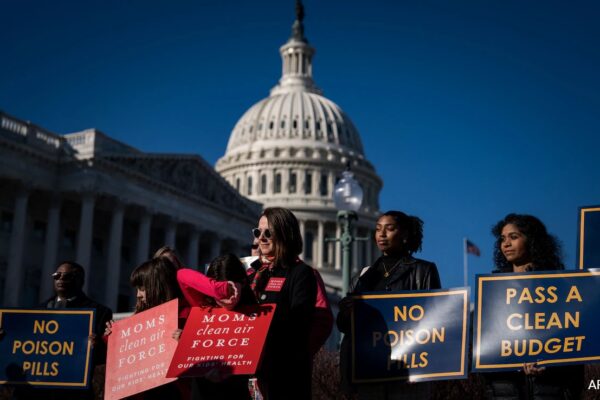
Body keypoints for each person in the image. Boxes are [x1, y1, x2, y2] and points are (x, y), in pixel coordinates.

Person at [337, 210, 441, 399]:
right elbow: (346, 327)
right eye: (378, 229)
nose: (382, 234)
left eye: (389, 229)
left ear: (404, 235)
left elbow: (433, 321)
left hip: (407, 372)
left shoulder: (422, 271)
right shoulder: (363, 277)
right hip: (371, 372)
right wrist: (347, 310)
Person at [484, 213, 584, 400]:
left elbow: (575, 341)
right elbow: (484, 350)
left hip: (551, 391)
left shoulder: (562, 288)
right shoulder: (492, 291)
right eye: (503, 239)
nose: (506, 244)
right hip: (506, 392)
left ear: (532, 242)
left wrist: (549, 362)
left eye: (514, 237)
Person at [250, 207, 317, 400]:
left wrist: (261, 318)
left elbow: (300, 321)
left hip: (284, 375)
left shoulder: (300, 273)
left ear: (285, 234)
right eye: (258, 232)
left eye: (268, 233)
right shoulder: (253, 274)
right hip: (254, 373)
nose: (261, 238)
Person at [104, 258, 188, 400]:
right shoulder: (139, 317)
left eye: (142, 289)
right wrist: (111, 337)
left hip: (173, 391)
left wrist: (185, 341)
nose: (138, 295)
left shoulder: (186, 314)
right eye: (137, 289)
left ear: (158, 285)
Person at [176, 254, 255, 400]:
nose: (224, 298)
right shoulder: (204, 308)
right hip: (202, 391)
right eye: (220, 290)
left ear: (243, 283)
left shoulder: (254, 314)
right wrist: (218, 289)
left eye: (230, 289)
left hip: (234, 392)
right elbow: (182, 275)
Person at [40, 261, 113, 400]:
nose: (60, 279)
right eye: (57, 275)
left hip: (74, 392)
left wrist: (98, 346)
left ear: (80, 280)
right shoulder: (38, 311)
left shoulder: (100, 312)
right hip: (39, 391)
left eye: (66, 276)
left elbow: (107, 356)